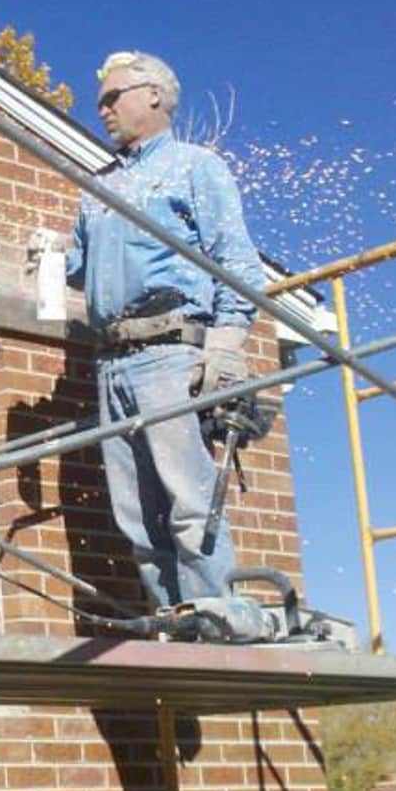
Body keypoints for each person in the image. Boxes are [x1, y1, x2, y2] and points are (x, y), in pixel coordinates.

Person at [43, 50, 265, 608]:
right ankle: (174, 619)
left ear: (155, 96)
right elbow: (81, 268)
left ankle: (215, 615)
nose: (102, 110)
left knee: (189, 501)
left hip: (170, 353)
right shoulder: (99, 188)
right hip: (112, 361)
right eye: (100, 103)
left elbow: (237, 261)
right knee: (136, 514)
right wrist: (50, 256)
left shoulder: (194, 167)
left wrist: (226, 344)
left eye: (112, 98)